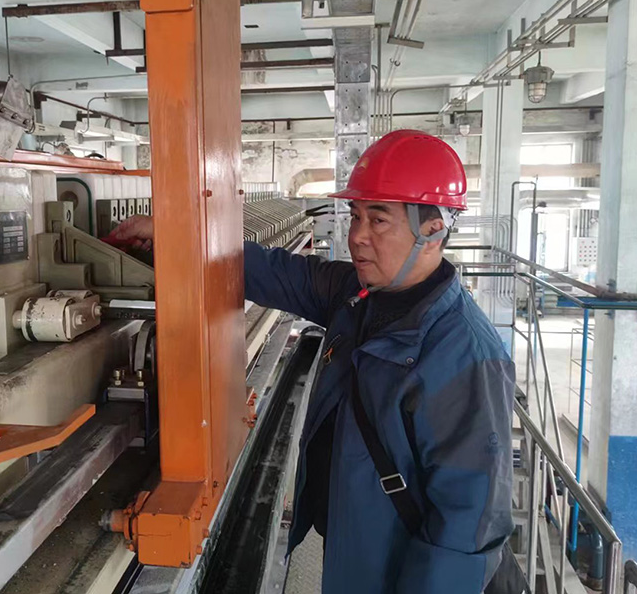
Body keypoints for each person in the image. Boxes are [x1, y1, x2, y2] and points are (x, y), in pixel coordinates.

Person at [107, 130, 516, 594]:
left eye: (378, 220)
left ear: (432, 229)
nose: (357, 236)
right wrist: (173, 236)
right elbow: (271, 271)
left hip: (400, 570)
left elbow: (467, 527)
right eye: (355, 216)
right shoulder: (357, 295)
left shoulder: (465, 355)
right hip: (353, 548)